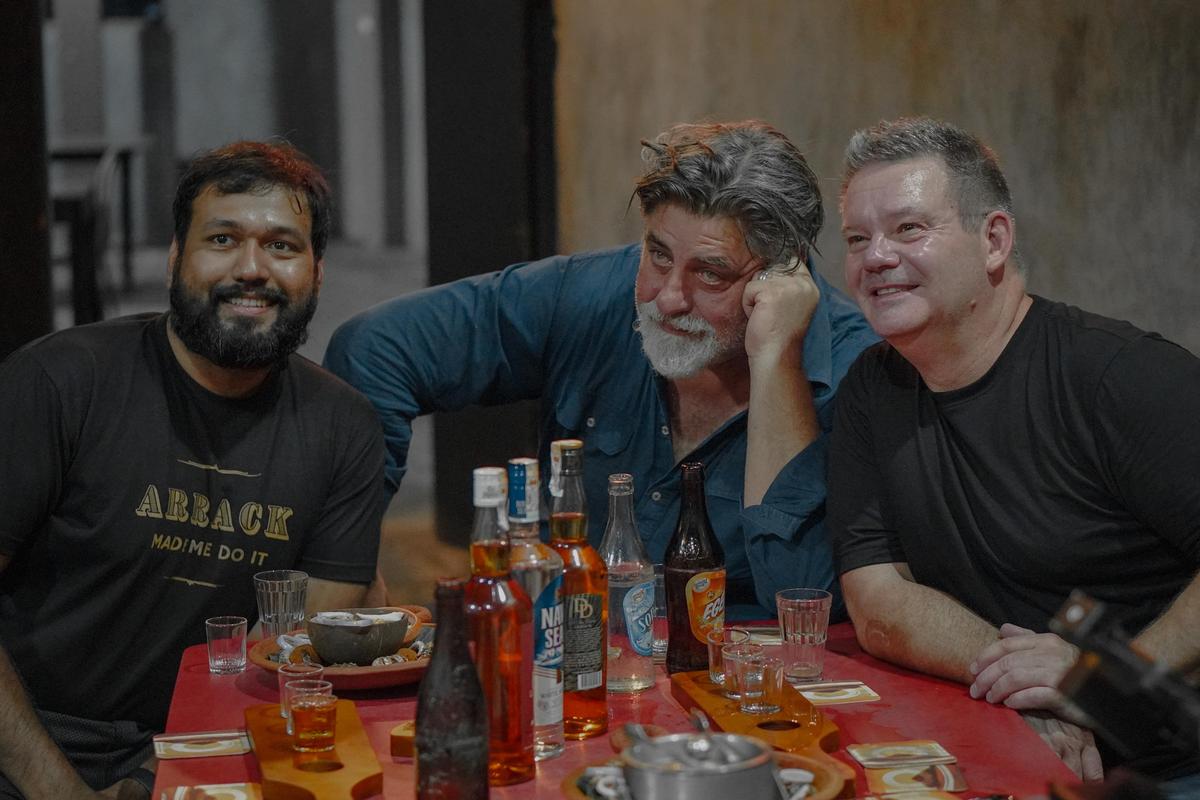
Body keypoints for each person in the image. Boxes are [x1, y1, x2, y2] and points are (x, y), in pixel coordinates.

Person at [325, 120, 878, 620]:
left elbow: (803, 600)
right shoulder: (590, 295)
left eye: (710, 275)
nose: (667, 299)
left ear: (785, 274)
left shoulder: (858, 372)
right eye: (658, 254)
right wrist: (345, 570)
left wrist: (777, 357)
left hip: (733, 686)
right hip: (559, 658)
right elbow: (375, 349)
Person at [0, 141, 387, 799]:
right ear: (176, 258)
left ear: (317, 273)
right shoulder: (58, 384)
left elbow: (298, 655)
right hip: (28, 743)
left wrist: (161, 778)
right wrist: (54, 788)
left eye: (283, 247)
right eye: (223, 239)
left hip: (218, 750)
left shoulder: (342, 427)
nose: (252, 268)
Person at [828, 116, 1200, 790]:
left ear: (994, 239)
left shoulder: (1120, 377)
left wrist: (1100, 683)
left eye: (909, 229)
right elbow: (879, 602)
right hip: (1004, 747)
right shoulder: (871, 389)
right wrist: (1025, 684)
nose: (875, 256)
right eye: (858, 238)